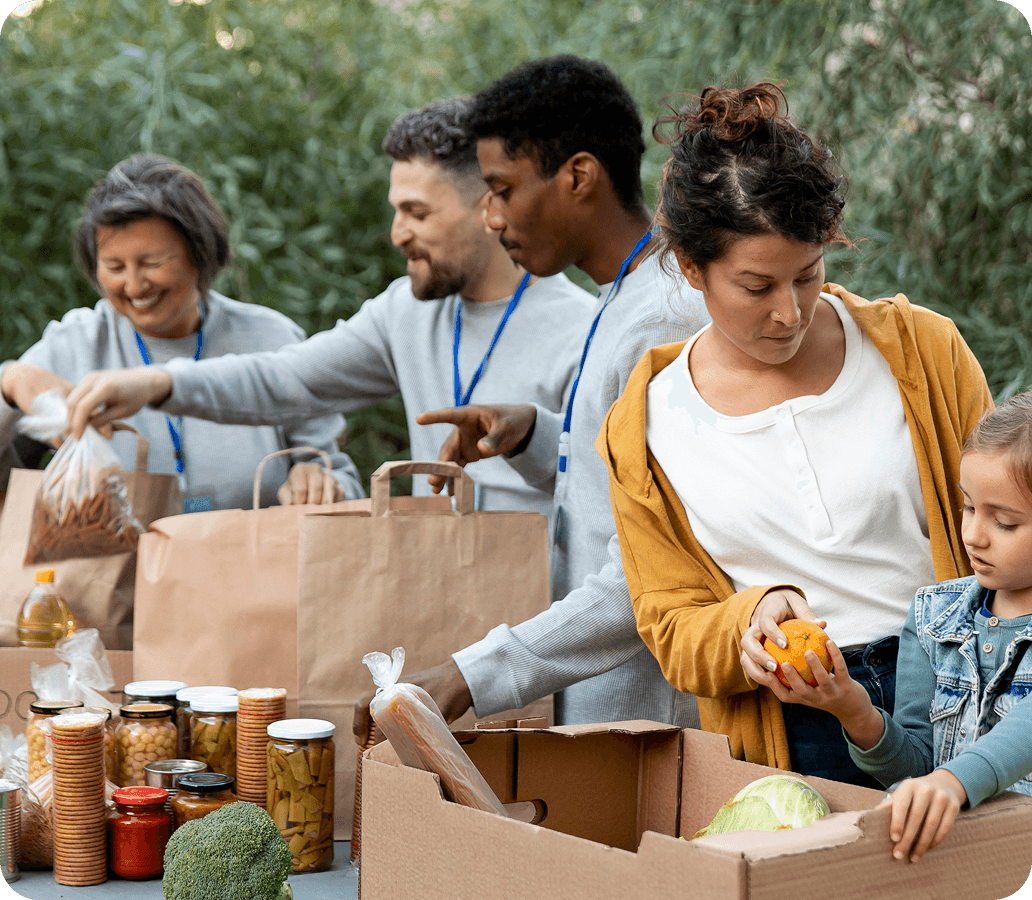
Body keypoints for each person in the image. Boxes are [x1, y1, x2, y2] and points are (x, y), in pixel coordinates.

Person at [598, 82, 994, 784]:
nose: (790, 312)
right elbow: (670, 628)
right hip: (791, 731)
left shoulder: (925, 355)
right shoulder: (648, 423)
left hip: (958, 700)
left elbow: (1013, 522)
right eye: (757, 287)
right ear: (691, 267)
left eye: (808, 276)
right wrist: (746, 620)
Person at [355, 55, 709, 736]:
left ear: (578, 177)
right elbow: (618, 491)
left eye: (502, 189)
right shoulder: (622, 298)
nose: (491, 217)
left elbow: (650, 571)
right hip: (609, 708)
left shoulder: (661, 322)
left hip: (653, 724)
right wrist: (535, 435)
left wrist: (468, 674)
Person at [61, 99, 596, 518]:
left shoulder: (580, 332)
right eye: (395, 211)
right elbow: (285, 379)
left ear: (488, 207)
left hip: (539, 627)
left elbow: (600, 497)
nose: (396, 234)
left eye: (416, 213)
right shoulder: (404, 313)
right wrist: (158, 385)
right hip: (438, 608)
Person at [0, 154, 363, 511]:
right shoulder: (75, 345)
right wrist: (10, 383)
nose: (134, 285)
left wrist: (319, 479)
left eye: (151, 263)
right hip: (118, 572)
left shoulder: (270, 338)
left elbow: (343, 478)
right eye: (114, 266)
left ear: (200, 255)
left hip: (251, 566)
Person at [786, 393, 1032, 863]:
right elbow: (917, 766)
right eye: (968, 508)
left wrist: (954, 781)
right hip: (954, 870)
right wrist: (855, 711)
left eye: (1003, 522)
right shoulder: (931, 617)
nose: (973, 535)